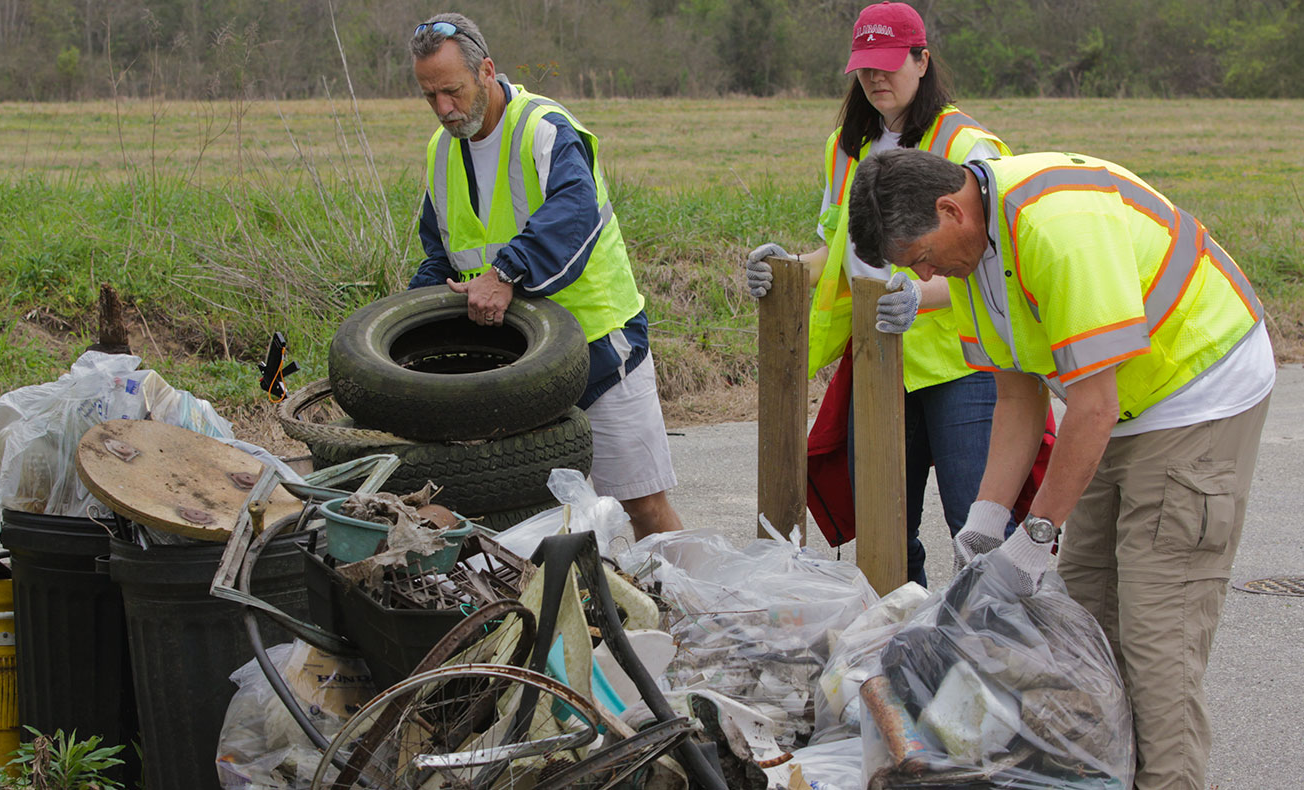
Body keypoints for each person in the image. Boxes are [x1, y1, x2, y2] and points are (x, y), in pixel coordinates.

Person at [846, 146, 1274, 790]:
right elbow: (1018, 394)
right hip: (1118, 402)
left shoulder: (1056, 229)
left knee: (1157, 642)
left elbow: (1093, 408)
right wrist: (986, 523)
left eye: (922, 258)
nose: (927, 274)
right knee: (1084, 626)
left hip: (1194, 393)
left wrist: (1037, 535)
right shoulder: (974, 259)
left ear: (950, 207)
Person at [743, 1, 1019, 586]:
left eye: (890, 64)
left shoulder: (967, 143)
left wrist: (922, 297)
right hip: (875, 356)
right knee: (884, 525)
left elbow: (996, 262)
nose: (875, 78)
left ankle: (998, 648)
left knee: (976, 520)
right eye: (865, 66)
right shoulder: (846, 147)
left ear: (922, 60)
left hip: (959, 362)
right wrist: (789, 268)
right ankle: (902, 641)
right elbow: (840, 249)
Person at [406, 13, 683, 538]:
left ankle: (692, 613)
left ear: (486, 71)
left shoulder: (544, 128)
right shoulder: (440, 152)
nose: (443, 108)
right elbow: (441, 252)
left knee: (641, 505)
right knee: (546, 516)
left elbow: (574, 212)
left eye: (452, 91)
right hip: (517, 364)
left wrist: (506, 271)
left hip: (599, 345)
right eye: (429, 96)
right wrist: (408, 323)